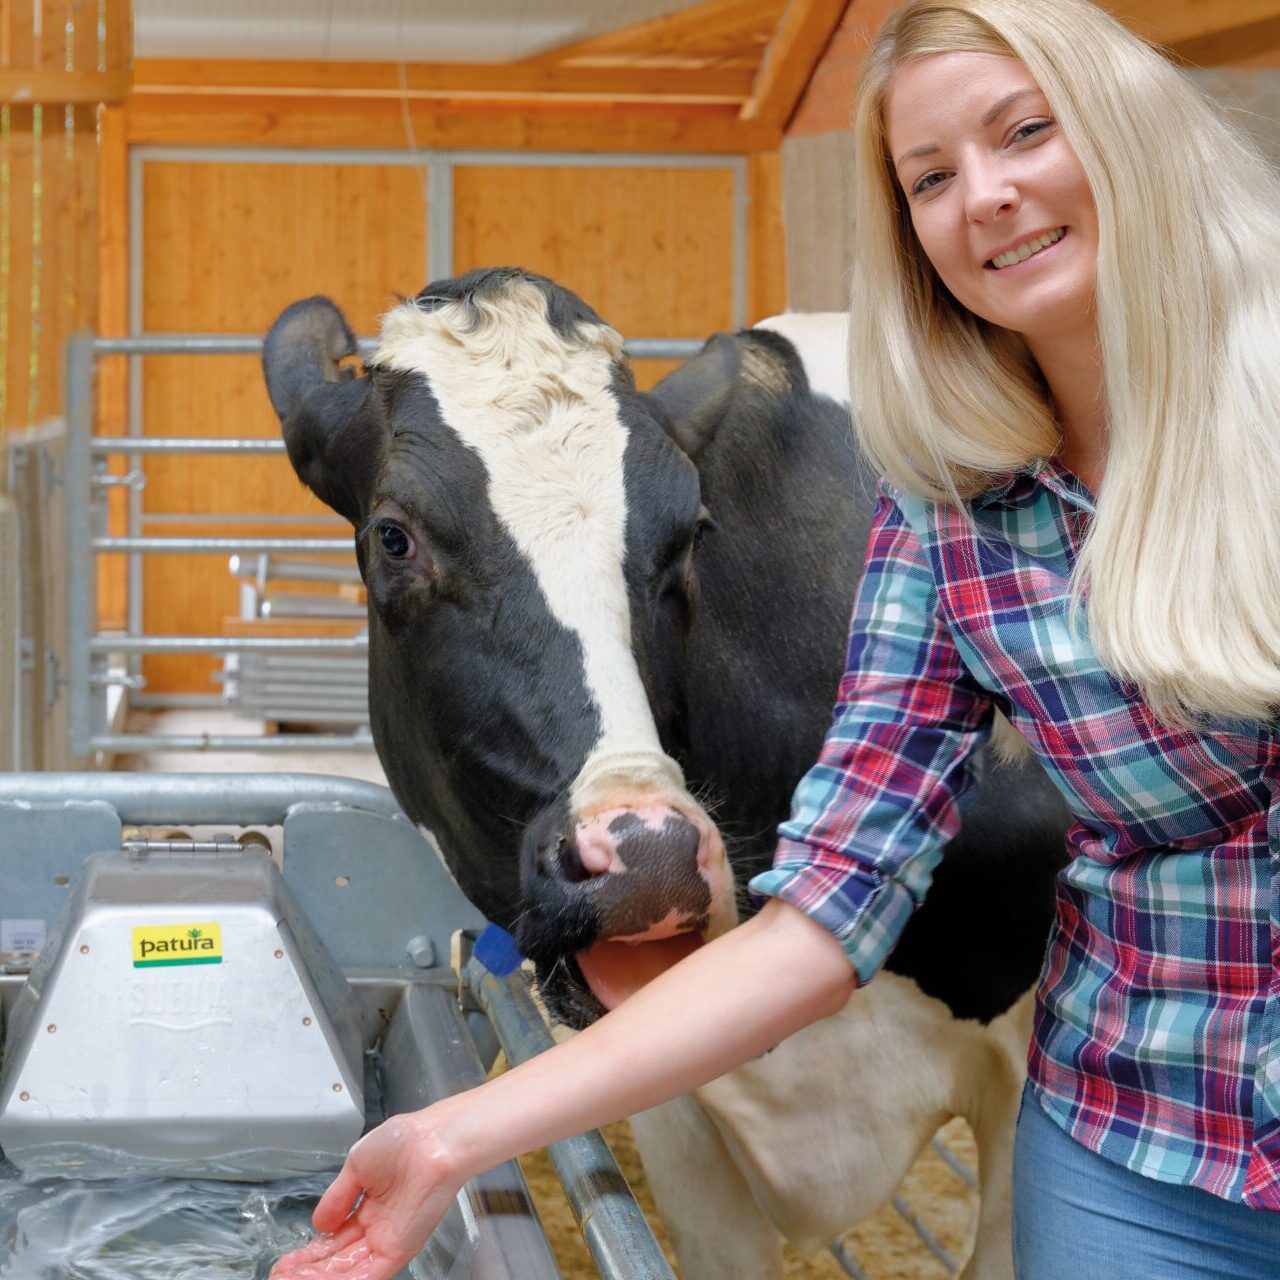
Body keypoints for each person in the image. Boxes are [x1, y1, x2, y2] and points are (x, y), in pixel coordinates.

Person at [270, 0, 1280, 1276]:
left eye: (1024, 131)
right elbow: (832, 902)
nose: (984, 196)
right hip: (1130, 1148)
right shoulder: (945, 512)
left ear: (1121, 130)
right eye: (928, 177)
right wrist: (449, 1135)